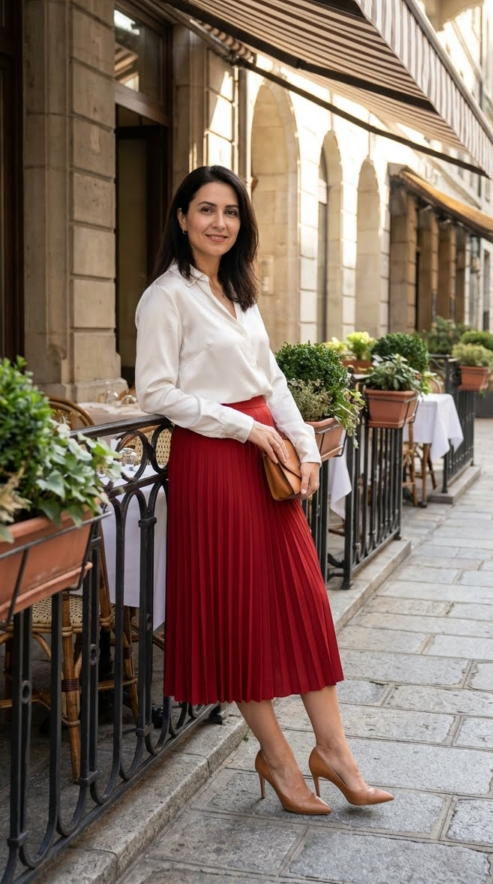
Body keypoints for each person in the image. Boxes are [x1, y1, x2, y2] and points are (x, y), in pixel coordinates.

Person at [135, 165, 393, 815]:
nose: (219, 221)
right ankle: (278, 759)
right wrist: (247, 431)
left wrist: (304, 447)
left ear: (241, 223)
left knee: (303, 602)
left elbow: (272, 377)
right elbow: (156, 393)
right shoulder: (165, 297)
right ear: (182, 218)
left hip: (266, 461)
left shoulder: (238, 290)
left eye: (230, 211)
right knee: (241, 616)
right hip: (215, 465)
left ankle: (335, 754)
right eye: (205, 209)